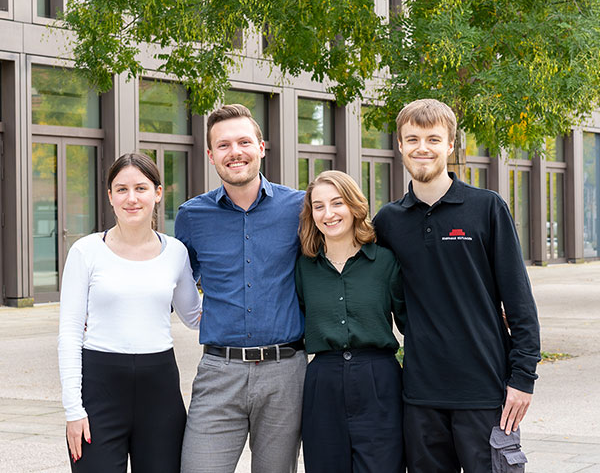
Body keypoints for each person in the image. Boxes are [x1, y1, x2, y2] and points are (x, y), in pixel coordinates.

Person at [373, 99, 541, 472]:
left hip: (483, 389)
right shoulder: (388, 221)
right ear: (399, 145)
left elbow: (520, 303)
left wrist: (523, 378)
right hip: (420, 393)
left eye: (433, 139)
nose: (422, 148)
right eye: (412, 138)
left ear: (450, 145)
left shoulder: (486, 208)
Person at [175, 104, 306, 473]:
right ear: (211, 155)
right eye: (224, 145)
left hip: (286, 372)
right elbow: (167, 282)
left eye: (244, 141)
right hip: (220, 371)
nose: (235, 152)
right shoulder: (191, 216)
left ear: (261, 147)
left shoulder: (299, 207)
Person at [57, 153, 202, 473]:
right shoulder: (85, 251)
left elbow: (195, 317)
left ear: (158, 193)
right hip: (99, 390)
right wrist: (73, 410)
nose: (132, 198)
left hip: (160, 391)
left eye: (141, 188)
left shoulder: (176, 252)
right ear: (109, 196)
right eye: (121, 189)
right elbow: (68, 334)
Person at [295, 170, 406, 473]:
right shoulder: (304, 266)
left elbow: (411, 322)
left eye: (337, 203)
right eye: (318, 206)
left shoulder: (385, 261)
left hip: (378, 380)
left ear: (355, 207)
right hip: (323, 382)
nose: (328, 214)